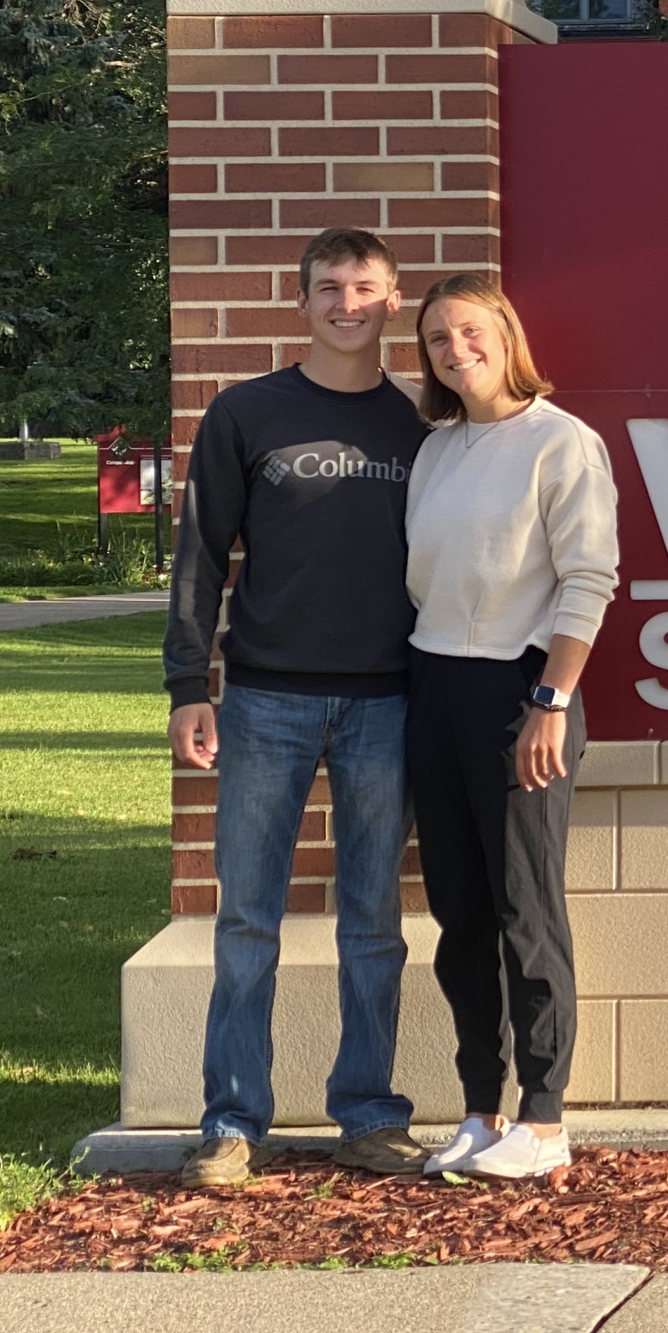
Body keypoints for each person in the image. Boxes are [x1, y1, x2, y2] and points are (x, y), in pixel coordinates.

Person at [167, 228, 430, 1186]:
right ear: (302, 302)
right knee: (246, 921)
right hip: (265, 699)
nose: (346, 303)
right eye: (328, 287)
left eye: (364, 288)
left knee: (373, 921)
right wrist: (187, 687)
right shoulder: (247, 414)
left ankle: (368, 1114)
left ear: (392, 301)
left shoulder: (422, 426)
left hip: (389, 703)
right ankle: (232, 1122)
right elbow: (200, 558)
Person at [403, 273, 619, 1181]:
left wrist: (551, 703)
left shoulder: (560, 443)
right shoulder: (437, 449)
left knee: (526, 907)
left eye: (471, 332)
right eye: (439, 341)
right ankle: (481, 1111)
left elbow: (588, 579)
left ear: (506, 335)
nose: (458, 351)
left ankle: (544, 1117)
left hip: (521, 696)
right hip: (434, 686)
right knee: (460, 916)